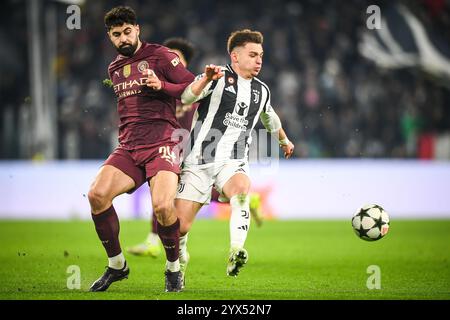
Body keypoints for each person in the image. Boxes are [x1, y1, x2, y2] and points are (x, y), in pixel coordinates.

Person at [87, 6, 195, 293]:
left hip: (163, 142)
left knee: (162, 207)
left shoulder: (161, 56)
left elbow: (190, 85)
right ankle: (117, 265)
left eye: (126, 32)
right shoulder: (114, 68)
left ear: (137, 29)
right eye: (116, 35)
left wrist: (161, 85)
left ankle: (173, 269)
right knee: (97, 195)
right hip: (129, 146)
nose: (122, 38)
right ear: (110, 37)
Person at [126, 38, 265, 258]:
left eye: (176, 59)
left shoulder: (193, 83)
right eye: (167, 57)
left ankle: (157, 241)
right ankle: (155, 240)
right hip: (167, 148)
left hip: (192, 150)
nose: (169, 62)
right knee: (164, 194)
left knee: (171, 196)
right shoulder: (152, 87)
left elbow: (197, 99)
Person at [176, 29, 294, 285]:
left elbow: (269, 117)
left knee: (241, 191)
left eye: (261, 55)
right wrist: (205, 80)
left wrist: (284, 140)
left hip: (233, 161)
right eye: (253, 55)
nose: (259, 60)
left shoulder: (261, 91)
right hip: (198, 161)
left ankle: (236, 250)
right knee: (180, 228)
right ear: (235, 56)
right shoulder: (216, 76)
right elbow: (186, 97)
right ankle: (178, 265)